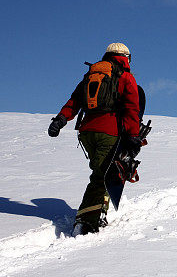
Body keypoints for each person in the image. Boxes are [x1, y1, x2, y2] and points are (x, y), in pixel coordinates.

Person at [47, 42, 142, 236]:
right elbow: (132, 109)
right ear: (126, 58)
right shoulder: (125, 77)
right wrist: (133, 136)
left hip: (86, 133)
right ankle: (85, 222)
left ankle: (99, 212)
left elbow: (73, 102)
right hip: (109, 133)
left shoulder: (91, 77)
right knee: (103, 177)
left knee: (105, 172)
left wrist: (60, 120)